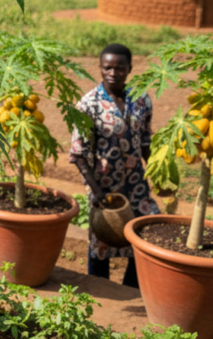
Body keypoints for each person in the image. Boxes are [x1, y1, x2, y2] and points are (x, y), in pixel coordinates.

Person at [69, 43, 159, 288]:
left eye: (119, 68)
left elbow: (145, 142)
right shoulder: (88, 104)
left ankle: (131, 288)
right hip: (103, 187)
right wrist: (97, 192)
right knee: (102, 242)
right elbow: (79, 154)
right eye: (107, 67)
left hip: (136, 185)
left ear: (129, 69)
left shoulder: (141, 99)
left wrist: (158, 173)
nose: (113, 73)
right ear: (100, 67)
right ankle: (100, 289)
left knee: (143, 235)